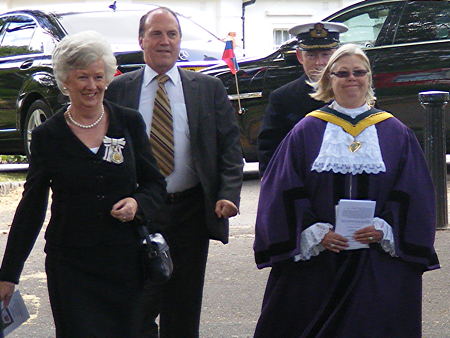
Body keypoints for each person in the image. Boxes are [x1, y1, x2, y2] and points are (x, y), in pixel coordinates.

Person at [253, 44, 440, 337]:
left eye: (358, 72)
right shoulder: (306, 131)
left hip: (376, 259)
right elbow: (282, 190)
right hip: (319, 260)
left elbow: (415, 193)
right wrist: (316, 233)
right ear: (329, 80)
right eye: (342, 73)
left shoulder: (395, 132)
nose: (351, 79)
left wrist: (384, 229)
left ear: (369, 78)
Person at [0, 31, 166, 337]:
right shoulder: (47, 136)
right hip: (72, 268)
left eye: (98, 77)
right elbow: (32, 205)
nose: (93, 86)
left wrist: (138, 204)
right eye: (82, 78)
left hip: (127, 264)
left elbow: (156, 185)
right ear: (65, 82)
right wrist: (9, 274)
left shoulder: (128, 122)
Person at [105, 7, 244, 338]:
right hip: (139, 213)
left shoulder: (207, 89)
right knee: (135, 307)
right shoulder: (120, 90)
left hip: (190, 211)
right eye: (156, 33)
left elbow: (229, 148)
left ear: (180, 41)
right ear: (141, 40)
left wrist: (227, 194)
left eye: (172, 34)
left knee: (182, 308)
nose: (165, 41)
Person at [257, 21, 348, 175]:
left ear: (337, 55)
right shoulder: (283, 98)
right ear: (300, 56)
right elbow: (270, 151)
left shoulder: (354, 92)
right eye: (311, 55)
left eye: (326, 54)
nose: (320, 62)